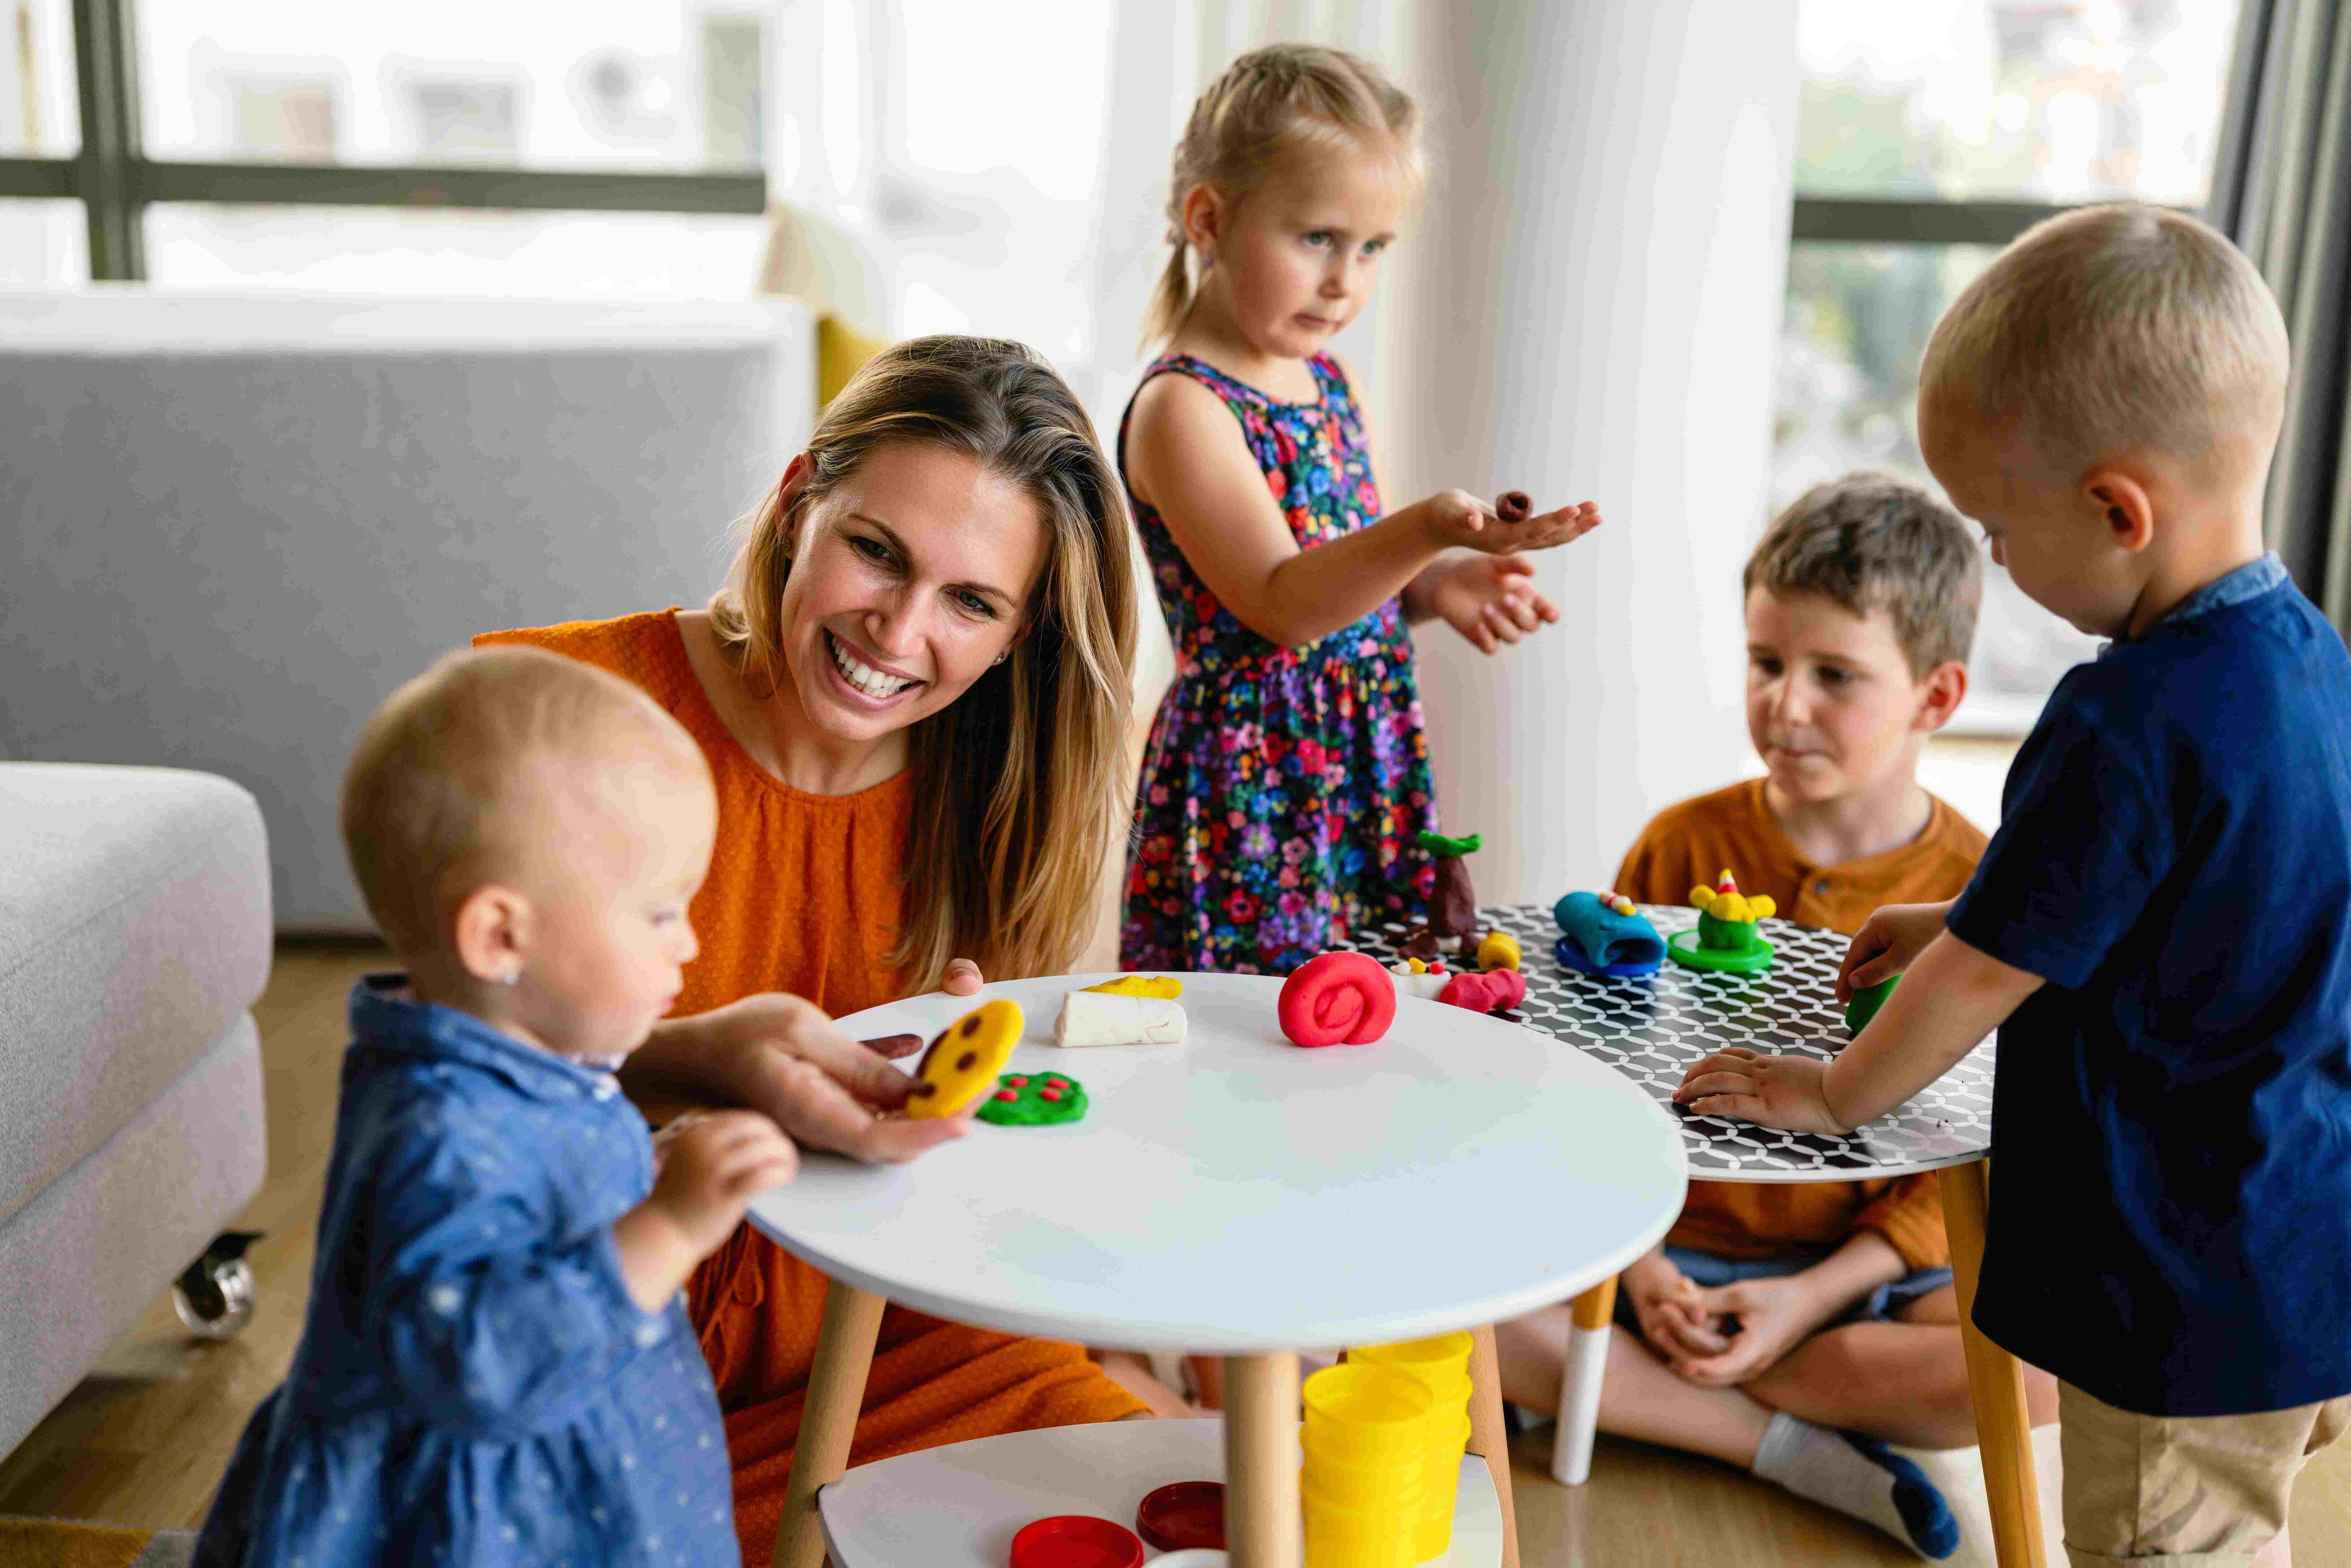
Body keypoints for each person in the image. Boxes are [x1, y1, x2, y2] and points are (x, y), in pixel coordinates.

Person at [1678, 203, 2351, 1568]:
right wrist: (1958, 915)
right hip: (2301, 1233)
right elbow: (2198, 899)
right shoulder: (2309, 659)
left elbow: (1986, 981)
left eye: (1995, 526)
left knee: (2166, 1550)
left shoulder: (2122, 720)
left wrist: (1835, 1092)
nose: (1993, 555)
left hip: (2177, 1283)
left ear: (2116, 510)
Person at [481, 335, 1188, 1565]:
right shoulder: (544, 709)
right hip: (585, 1379)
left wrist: (976, 1110)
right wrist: (691, 1063)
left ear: (1019, 634)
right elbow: (432, 1087)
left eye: (971, 602)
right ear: (801, 498)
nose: (899, 631)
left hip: (908, 1346)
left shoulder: (1010, 800)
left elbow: (991, 1206)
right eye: (878, 551)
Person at [1497, 473, 2048, 1559]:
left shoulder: (1980, 890)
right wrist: (1642, 1267)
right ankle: (1776, 1442)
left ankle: (1666, 1390)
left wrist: (1809, 1298)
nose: (1786, 705)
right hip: (1654, 1247)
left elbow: (1966, 1140)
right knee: (1444, 1296)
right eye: (1765, 663)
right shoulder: (1680, 845)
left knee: (2036, 1367)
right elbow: (1603, 1074)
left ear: (1937, 696)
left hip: (1858, 1278)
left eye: (1834, 675)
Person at [195, 646, 799, 1567]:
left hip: (582, 1470)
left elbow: (543, 1209)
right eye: (660, 913)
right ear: (500, 937)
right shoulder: (441, 1131)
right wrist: (672, 1224)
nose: (690, 944)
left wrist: (648, 1168)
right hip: (480, 1525)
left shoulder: (523, 1062)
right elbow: (480, 1367)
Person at [1118, 42, 1602, 974]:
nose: (1347, 279)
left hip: (1362, 761)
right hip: (1256, 790)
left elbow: (1345, 580)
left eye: (1374, 248)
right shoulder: (1185, 408)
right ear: (1210, 220)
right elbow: (1284, 603)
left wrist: (1434, 584)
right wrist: (1426, 528)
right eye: (1318, 239)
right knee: (1260, 1022)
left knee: (1375, 999)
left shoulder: (1334, 386)